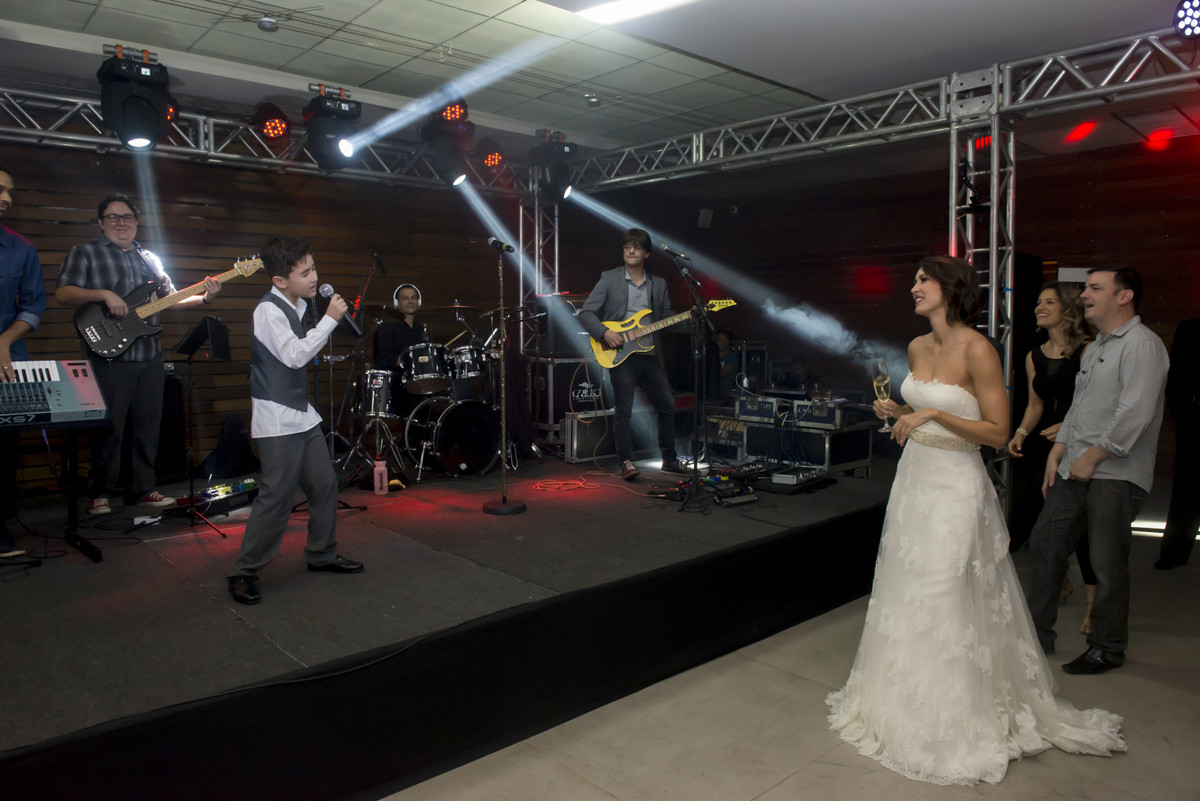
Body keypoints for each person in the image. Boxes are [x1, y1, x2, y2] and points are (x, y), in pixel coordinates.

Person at [827, 255, 1125, 786]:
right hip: (915, 479)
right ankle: (901, 701)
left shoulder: (978, 349)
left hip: (956, 486)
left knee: (945, 589)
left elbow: (996, 432)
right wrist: (899, 413)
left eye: (923, 279)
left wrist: (933, 413)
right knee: (907, 585)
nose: (914, 287)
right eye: (914, 279)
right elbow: (917, 413)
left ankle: (951, 717)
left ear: (951, 289)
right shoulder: (917, 347)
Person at [1026, 266, 1169, 674]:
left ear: (1124, 296)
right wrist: (1059, 450)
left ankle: (1107, 647)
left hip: (1116, 474)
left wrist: (1092, 456)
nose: (1084, 295)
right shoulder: (1095, 348)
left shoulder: (1143, 345)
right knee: (1045, 543)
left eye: (1094, 288)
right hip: (1075, 467)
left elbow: (1135, 413)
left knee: (1106, 562)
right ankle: (1035, 637)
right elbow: (1079, 408)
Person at [55, 194, 222, 516]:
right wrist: (104, 294)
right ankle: (101, 493)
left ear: (136, 221)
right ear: (101, 222)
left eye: (127, 217)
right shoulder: (85, 253)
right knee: (109, 428)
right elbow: (63, 292)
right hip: (108, 357)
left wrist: (204, 298)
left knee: (148, 427)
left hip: (149, 356)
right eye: (113, 217)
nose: (121, 222)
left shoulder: (150, 259)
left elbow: (170, 300)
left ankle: (143, 489)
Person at [227, 236, 363, 605]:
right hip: (277, 417)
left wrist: (328, 320)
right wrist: (331, 320)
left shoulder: (299, 304)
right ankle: (244, 570)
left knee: (324, 483)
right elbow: (294, 356)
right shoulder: (267, 311)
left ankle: (321, 554)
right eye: (305, 273)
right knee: (277, 495)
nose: (314, 277)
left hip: (301, 414)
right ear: (279, 280)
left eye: (314, 268)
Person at [1007, 282, 1096, 633]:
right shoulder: (1034, 356)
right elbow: (1035, 405)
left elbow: (1094, 403)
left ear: (1067, 309)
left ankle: (1092, 607)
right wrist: (1020, 432)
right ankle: (1060, 581)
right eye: (1038, 302)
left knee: (1083, 530)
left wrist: (1070, 427)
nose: (1039, 307)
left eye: (1049, 302)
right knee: (1040, 519)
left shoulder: (1089, 350)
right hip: (1041, 445)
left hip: (1079, 443)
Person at [577, 228, 684, 481]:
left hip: (650, 354)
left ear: (646, 253)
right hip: (620, 354)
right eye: (627, 247)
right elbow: (586, 313)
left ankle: (669, 461)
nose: (631, 250)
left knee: (667, 406)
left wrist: (689, 319)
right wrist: (605, 333)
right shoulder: (609, 278)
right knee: (623, 410)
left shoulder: (659, 284)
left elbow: (667, 317)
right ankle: (626, 461)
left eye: (636, 247)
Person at [0, 164, 47, 558]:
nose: (7, 199)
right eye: (0, 190)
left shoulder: (21, 248)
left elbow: (33, 306)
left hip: (8, 360)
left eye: (10, 192)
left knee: (4, 448)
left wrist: (5, 340)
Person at [1156, 317, 1199, 570]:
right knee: (1186, 483)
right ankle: (1174, 550)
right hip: (1193, 416)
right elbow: (1176, 375)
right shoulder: (1190, 329)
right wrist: (1182, 411)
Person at [373, 283, 430, 416]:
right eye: (405, 298)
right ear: (396, 304)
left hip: (419, 388)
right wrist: (402, 359)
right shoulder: (386, 328)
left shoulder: (422, 330)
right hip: (395, 388)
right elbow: (381, 359)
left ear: (419, 303)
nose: (410, 301)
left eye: (414, 297)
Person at [714, 330, 738, 399]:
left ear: (728, 342)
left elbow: (720, 374)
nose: (721, 342)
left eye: (724, 340)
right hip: (713, 393)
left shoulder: (731, 357)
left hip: (726, 394)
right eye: (719, 340)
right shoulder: (712, 356)